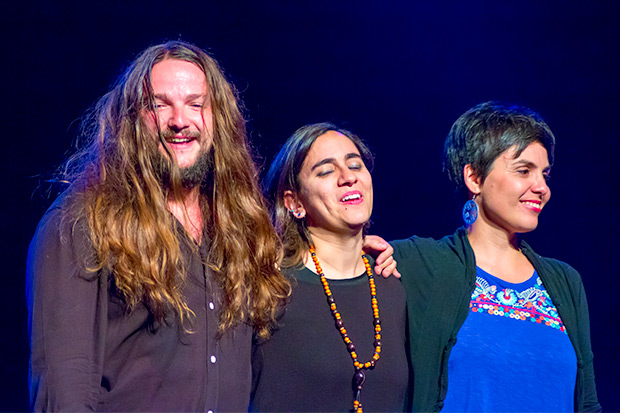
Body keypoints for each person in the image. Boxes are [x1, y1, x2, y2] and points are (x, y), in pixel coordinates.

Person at [26, 40, 291, 411]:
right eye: (158, 105)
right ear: (132, 120)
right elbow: (65, 385)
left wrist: (360, 254)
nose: (180, 120)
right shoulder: (83, 221)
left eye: (196, 104)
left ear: (218, 119)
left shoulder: (241, 227)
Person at [393, 102, 601, 412]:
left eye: (545, 174)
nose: (542, 187)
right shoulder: (424, 263)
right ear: (474, 178)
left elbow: (586, 403)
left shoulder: (564, 282)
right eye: (524, 171)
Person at [251, 123, 410, 412]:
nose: (348, 177)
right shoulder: (270, 287)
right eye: (326, 171)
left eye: (355, 165)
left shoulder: (391, 285)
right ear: (295, 202)